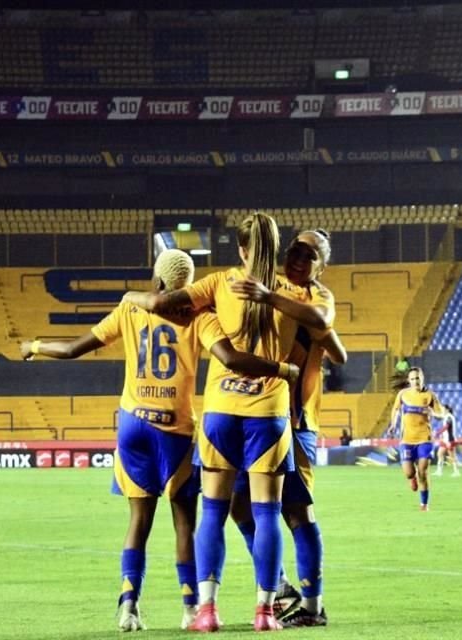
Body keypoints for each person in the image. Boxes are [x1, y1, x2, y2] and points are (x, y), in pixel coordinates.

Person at [20, 249, 298, 633]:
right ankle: (191, 609)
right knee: (185, 523)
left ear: (157, 281)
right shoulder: (201, 316)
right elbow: (230, 357)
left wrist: (33, 347)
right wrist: (282, 368)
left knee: (138, 521)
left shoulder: (131, 310)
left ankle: (129, 605)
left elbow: (70, 350)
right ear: (189, 285)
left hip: (134, 425)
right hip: (177, 431)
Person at [124, 211, 323, 632]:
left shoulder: (218, 284)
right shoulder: (292, 292)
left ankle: (208, 611)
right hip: (268, 413)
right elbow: (323, 326)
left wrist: (132, 298)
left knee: (213, 512)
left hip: (219, 413)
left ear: (242, 248)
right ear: (275, 248)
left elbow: (163, 304)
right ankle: (265, 613)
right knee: (267, 513)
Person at [226, 229, 346, 627]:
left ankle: (312, 607)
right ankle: (280, 585)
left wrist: (270, 298)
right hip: (255, 415)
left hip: (294, 421)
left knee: (297, 513)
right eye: (293, 250)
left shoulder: (314, 298)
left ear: (321, 266)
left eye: (307, 254)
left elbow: (324, 324)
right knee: (237, 504)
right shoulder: (274, 288)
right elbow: (338, 352)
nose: (296, 258)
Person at [387, 367, 447, 511]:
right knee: (409, 472)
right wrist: (393, 425)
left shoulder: (429, 395)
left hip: (424, 439)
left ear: (422, 378)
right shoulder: (403, 394)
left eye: (418, 378)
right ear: (409, 381)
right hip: (407, 440)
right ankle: (411, 478)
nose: (416, 381)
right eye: (413, 379)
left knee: (423, 471)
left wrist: (432, 412)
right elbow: (395, 410)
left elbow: (442, 413)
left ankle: (424, 504)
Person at [433, 404, 460, 477]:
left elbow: (447, 426)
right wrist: (431, 413)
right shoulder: (446, 416)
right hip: (445, 439)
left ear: (447, 410)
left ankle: (456, 471)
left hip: (450, 439)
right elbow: (439, 416)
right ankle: (439, 471)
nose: (442, 410)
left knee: (452, 455)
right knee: (439, 453)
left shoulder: (449, 417)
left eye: (443, 409)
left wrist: (438, 432)